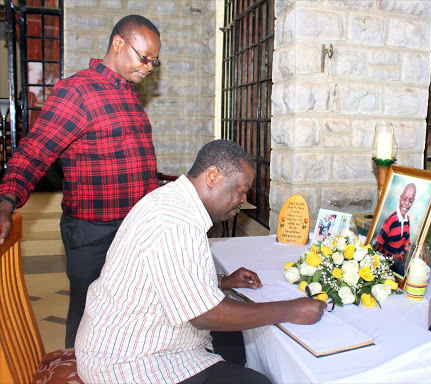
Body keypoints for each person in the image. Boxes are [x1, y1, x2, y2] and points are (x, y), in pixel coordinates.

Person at [75, 139, 326, 384]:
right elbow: (204, 315)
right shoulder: (175, 222)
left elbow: (166, 273)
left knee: (239, 346)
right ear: (213, 176)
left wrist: (222, 281)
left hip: (135, 341)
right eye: (241, 190)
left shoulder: (174, 201)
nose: (242, 200)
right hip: (130, 363)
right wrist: (292, 309)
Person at [0, 14, 161, 348]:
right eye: (143, 58)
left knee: (128, 312)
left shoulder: (129, 96)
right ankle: (75, 371)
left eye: (153, 62)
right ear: (119, 43)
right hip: (93, 232)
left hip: (134, 228)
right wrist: (5, 202)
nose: (147, 67)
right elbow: (33, 152)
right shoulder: (76, 93)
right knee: (88, 315)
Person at [372, 183, 417, 275]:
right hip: (386, 261)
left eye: (410, 201)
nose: (406, 203)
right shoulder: (391, 220)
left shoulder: (407, 220)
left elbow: (406, 241)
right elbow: (377, 244)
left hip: (398, 260)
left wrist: (406, 255)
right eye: (404, 199)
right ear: (400, 198)